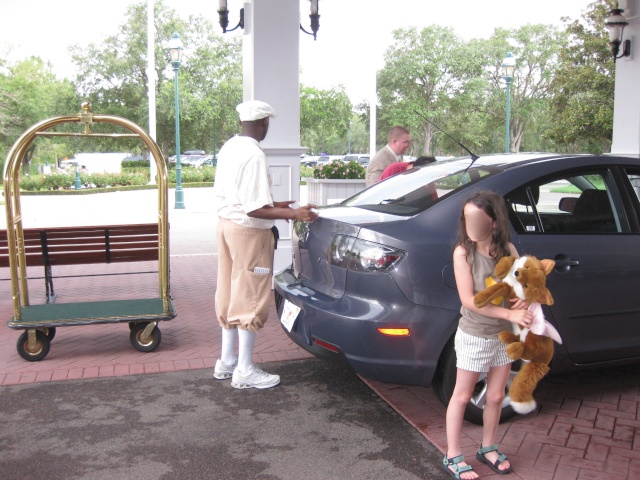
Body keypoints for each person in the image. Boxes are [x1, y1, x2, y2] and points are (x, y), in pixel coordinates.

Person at [212, 100, 318, 389]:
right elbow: (254, 210)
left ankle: (227, 361)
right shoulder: (254, 154)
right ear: (263, 123)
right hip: (248, 232)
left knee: (230, 289)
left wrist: (277, 206)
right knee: (251, 294)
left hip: (226, 226)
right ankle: (245, 369)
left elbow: (245, 200)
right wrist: (294, 213)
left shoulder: (230, 146)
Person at [442, 190, 533, 479]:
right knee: (463, 394)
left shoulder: (508, 249)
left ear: (493, 222)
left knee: (495, 396)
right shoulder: (463, 253)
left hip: (503, 336)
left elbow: (521, 287)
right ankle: (453, 455)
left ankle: (488, 447)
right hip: (475, 334)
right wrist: (510, 313)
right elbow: (470, 301)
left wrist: (523, 300)